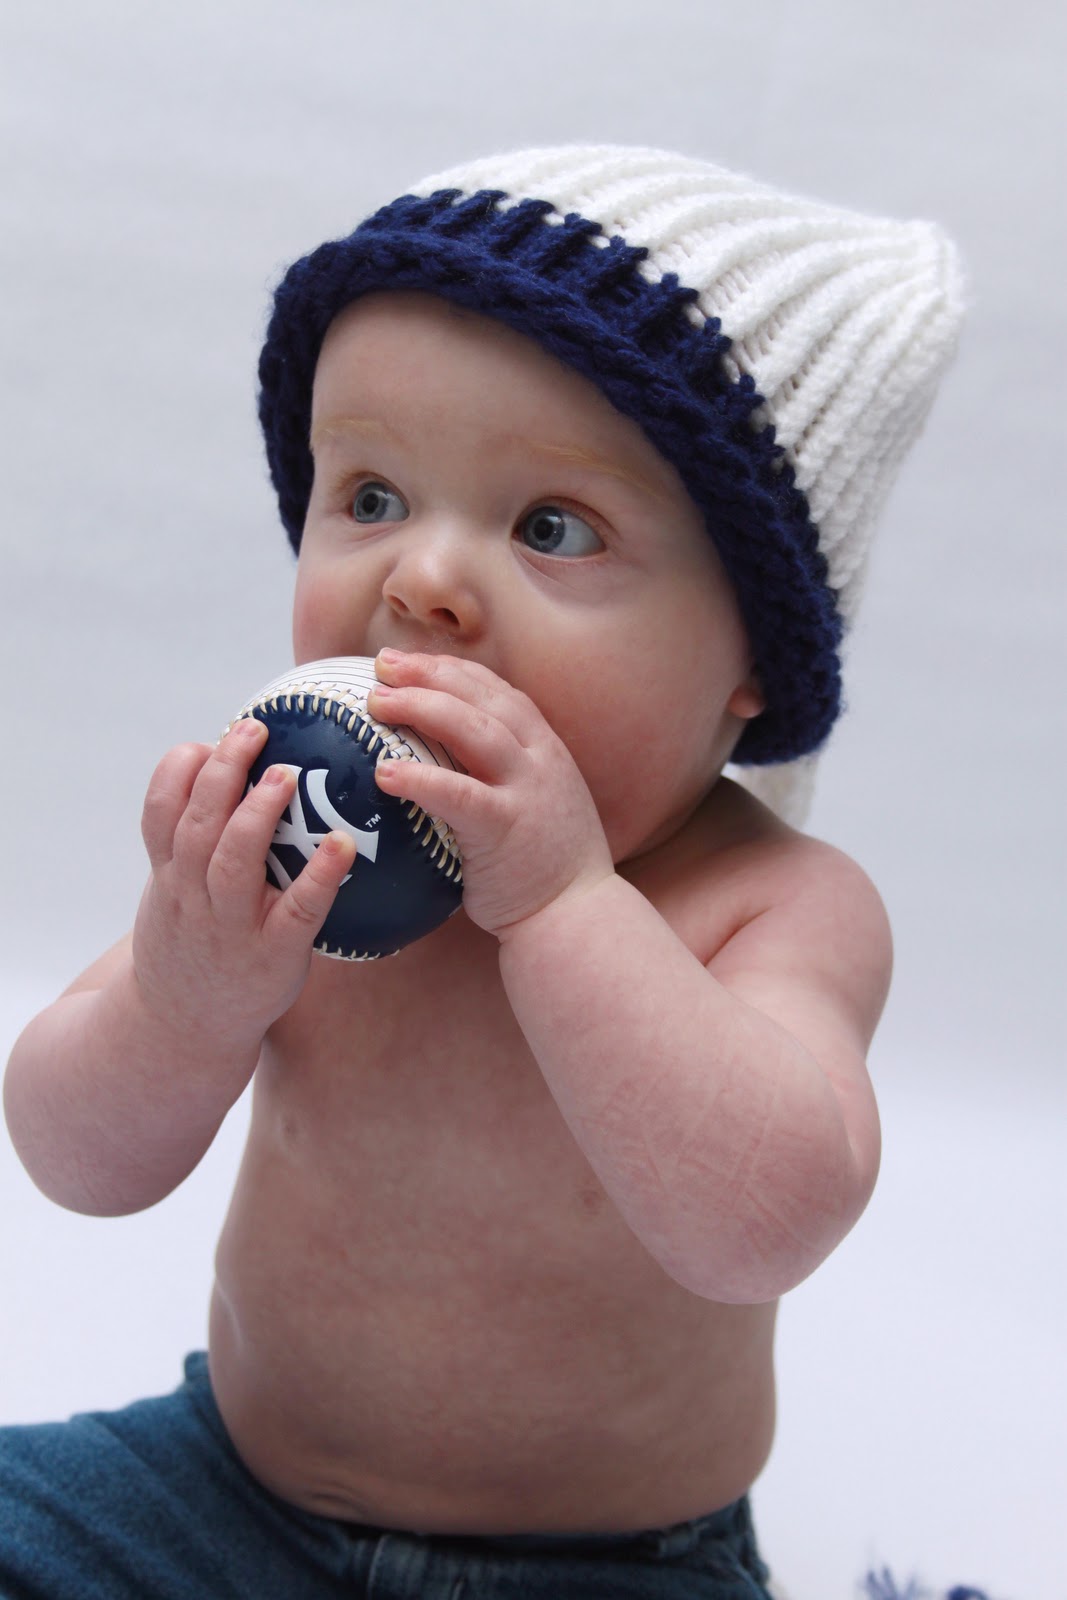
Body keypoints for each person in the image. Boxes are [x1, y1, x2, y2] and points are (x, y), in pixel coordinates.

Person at [1, 145, 964, 1598]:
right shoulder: (303, 861)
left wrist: (568, 906)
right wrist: (180, 997)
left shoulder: (769, 907)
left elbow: (763, 1226)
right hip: (229, 1496)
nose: (424, 581)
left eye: (551, 528)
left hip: (613, 1565)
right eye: (373, 495)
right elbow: (72, 1162)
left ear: (754, 658)